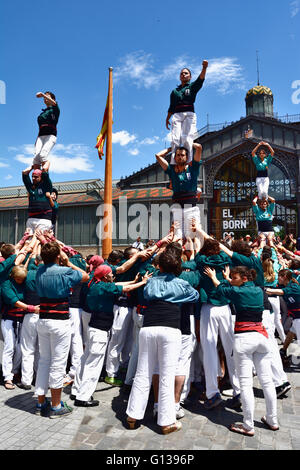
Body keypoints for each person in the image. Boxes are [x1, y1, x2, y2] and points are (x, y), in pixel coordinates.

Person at [126, 249, 199, 434]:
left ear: (160, 266)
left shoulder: (150, 282)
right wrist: (176, 297)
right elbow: (195, 296)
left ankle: (133, 416)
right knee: (167, 374)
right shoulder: (181, 283)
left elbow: (148, 295)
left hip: (149, 326)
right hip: (170, 328)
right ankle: (166, 422)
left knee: (143, 372)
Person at [205, 265, 279, 436]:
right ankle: (272, 419)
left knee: (245, 384)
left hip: (244, 339)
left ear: (244, 278)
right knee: (266, 381)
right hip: (262, 337)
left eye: (235, 277)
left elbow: (222, 288)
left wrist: (216, 277)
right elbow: (232, 286)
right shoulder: (259, 291)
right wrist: (229, 278)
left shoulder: (237, 293)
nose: (232, 280)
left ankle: (248, 425)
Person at [73, 265, 152, 407]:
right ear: (104, 277)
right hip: (99, 331)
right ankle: (83, 397)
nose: (112, 275)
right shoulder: (103, 287)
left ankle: (76, 389)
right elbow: (124, 289)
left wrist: (134, 282)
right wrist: (143, 282)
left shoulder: (95, 283)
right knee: (93, 365)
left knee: (86, 359)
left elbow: (117, 285)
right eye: (110, 274)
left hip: (93, 328)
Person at [34, 242, 89, 418]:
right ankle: (56, 406)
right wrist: (68, 262)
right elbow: (85, 276)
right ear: (59, 256)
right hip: (59, 321)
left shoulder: (39, 271)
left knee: (44, 361)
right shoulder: (64, 271)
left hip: (43, 318)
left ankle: (41, 402)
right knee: (58, 364)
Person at [1, 266, 39, 390]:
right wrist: (31, 308)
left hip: (22, 319)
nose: (20, 281)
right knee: (9, 347)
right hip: (9, 319)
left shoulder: (24, 282)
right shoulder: (6, 285)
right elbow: (15, 301)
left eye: (22, 279)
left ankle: (15, 371)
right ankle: (7, 377)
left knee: (20, 348)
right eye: (18, 279)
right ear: (13, 276)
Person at [155, 143, 203, 239]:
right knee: (178, 235)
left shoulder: (193, 168)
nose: (180, 157)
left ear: (187, 157)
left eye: (182, 155)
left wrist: (187, 141)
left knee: (191, 235)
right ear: (175, 157)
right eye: (178, 155)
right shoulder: (171, 170)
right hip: (177, 208)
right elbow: (158, 156)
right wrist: (172, 148)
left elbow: (199, 148)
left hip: (191, 208)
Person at [166, 61, 208, 163]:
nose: (183, 75)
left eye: (186, 73)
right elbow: (171, 106)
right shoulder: (175, 92)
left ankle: (187, 162)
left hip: (189, 114)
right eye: (181, 73)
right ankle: (174, 163)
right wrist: (167, 118)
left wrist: (204, 68)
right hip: (177, 115)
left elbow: (200, 79)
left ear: (190, 76)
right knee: (175, 138)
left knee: (187, 138)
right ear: (180, 77)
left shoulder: (192, 87)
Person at [22, 166, 53, 234]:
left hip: (43, 220)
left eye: (36, 177)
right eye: (32, 176)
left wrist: (44, 162)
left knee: (40, 241)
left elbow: (45, 170)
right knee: (28, 242)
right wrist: (32, 167)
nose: (33, 178)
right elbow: (24, 173)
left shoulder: (47, 187)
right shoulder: (30, 188)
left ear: (41, 177)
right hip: (31, 219)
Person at [34, 91, 60, 171]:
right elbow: (40, 128)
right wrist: (36, 140)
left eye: (47, 96)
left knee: (43, 155)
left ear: (52, 99)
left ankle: (45, 178)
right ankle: (37, 181)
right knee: (36, 158)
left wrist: (42, 94)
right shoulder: (42, 114)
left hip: (50, 135)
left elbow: (54, 103)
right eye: (44, 97)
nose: (45, 98)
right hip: (41, 136)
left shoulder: (55, 109)